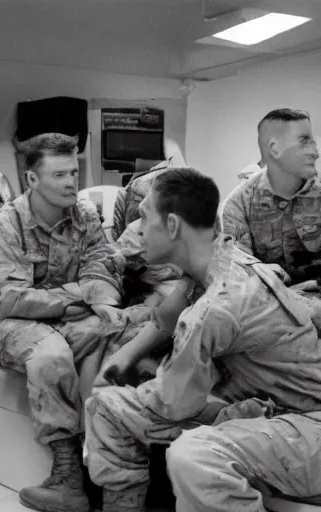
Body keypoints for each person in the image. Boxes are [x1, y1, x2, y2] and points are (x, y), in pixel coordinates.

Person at [85, 167, 321, 512]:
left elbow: (174, 402)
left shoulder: (218, 306)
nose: (136, 230)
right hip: (268, 410)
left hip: (308, 427)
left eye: (143, 218)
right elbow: (174, 310)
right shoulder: (222, 256)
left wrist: (143, 379)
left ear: (172, 226)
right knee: (107, 409)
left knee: (194, 455)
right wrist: (127, 356)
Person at [0, 133, 137, 512]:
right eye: (59, 174)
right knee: (50, 355)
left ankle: (111, 463)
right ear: (32, 179)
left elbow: (102, 265)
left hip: (64, 314)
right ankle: (67, 476)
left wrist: (104, 297)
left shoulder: (86, 215)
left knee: (120, 334)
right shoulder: (8, 222)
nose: (70, 183)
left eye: (74, 172)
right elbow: (11, 298)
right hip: (10, 321)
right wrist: (81, 295)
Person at [221, 109, 321, 295]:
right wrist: (287, 294)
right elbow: (237, 270)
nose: (315, 153)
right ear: (275, 150)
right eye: (304, 141)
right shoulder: (240, 203)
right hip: (268, 305)